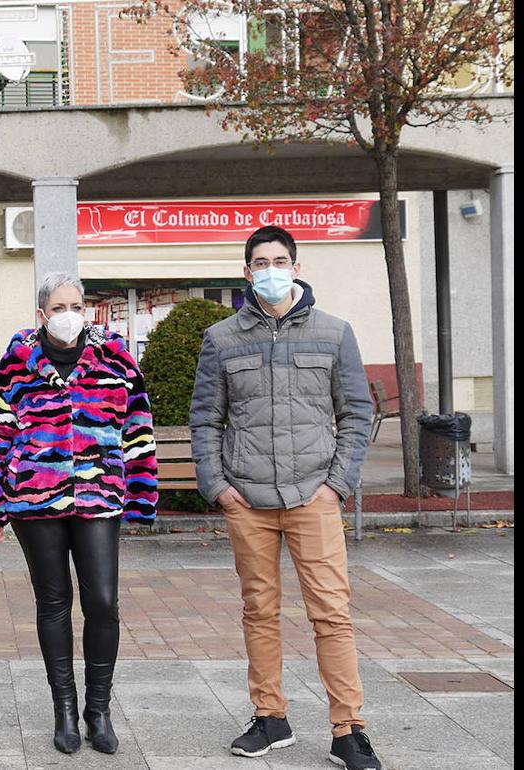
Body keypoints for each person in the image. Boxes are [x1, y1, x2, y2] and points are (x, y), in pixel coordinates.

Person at [190, 225, 380, 769]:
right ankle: (269, 716)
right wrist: (218, 487)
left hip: (312, 496)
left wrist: (336, 485)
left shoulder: (334, 332)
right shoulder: (222, 338)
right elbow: (206, 417)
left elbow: (354, 413)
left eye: (280, 260)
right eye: (260, 262)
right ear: (247, 271)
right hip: (246, 499)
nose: (270, 270)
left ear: (295, 266)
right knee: (259, 610)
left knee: (331, 614)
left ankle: (348, 729)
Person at [0, 271, 157, 755]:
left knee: (102, 600)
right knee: (52, 601)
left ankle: (98, 709)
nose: (68, 315)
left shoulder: (115, 358)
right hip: (34, 499)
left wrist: (141, 495)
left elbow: (138, 427)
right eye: (58, 308)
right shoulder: (16, 363)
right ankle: (64, 710)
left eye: (76, 305)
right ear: (42, 314)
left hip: (99, 498)